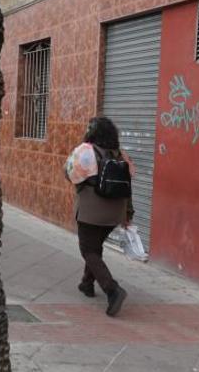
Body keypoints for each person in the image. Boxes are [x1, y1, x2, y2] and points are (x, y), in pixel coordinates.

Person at [64, 117, 135, 317]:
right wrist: (128, 214)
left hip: (91, 211)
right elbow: (129, 185)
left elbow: (68, 173)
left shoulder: (86, 150)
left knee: (88, 250)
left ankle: (112, 290)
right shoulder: (121, 155)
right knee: (95, 247)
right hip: (115, 213)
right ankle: (86, 284)